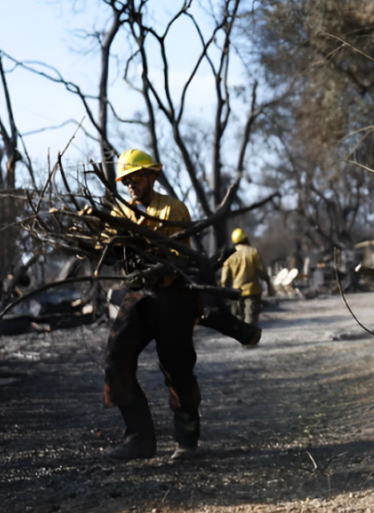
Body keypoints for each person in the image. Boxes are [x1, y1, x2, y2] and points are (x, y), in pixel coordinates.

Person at [103, 148, 202, 461]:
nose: (131, 185)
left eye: (135, 178)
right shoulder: (122, 212)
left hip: (173, 296)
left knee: (177, 367)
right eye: (126, 181)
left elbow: (177, 258)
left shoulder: (172, 209)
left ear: (151, 176)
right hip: (139, 295)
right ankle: (139, 439)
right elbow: (107, 243)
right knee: (115, 358)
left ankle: (186, 441)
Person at [221, 228, 273, 325]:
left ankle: (243, 337)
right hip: (252, 291)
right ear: (246, 239)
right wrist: (269, 284)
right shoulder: (253, 252)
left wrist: (224, 290)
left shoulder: (230, 254)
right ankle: (250, 338)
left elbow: (224, 276)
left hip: (236, 292)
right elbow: (262, 271)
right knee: (251, 319)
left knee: (239, 318)